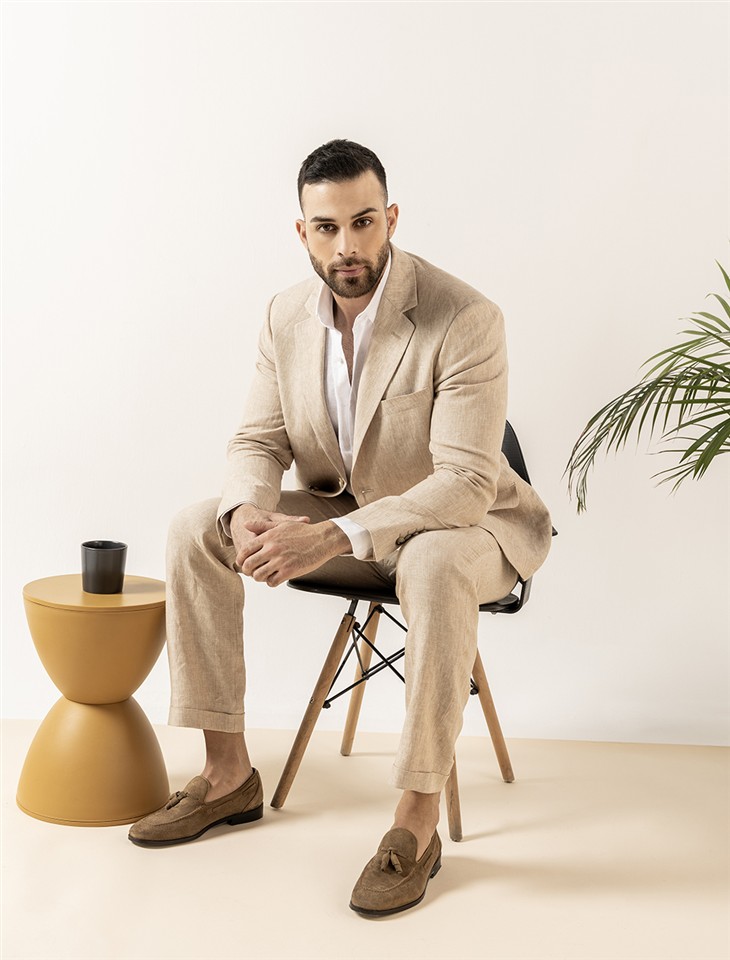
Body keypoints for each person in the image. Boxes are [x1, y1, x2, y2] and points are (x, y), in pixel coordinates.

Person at [128, 139, 552, 916]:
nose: (347, 245)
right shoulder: (284, 317)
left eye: (363, 222)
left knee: (431, 564)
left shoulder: (465, 318)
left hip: (471, 528)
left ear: (391, 218)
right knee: (197, 526)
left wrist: (331, 536)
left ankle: (415, 821)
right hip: (354, 518)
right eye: (327, 227)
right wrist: (247, 511)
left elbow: (464, 484)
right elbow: (259, 441)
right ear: (303, 232)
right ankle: (226, 775)